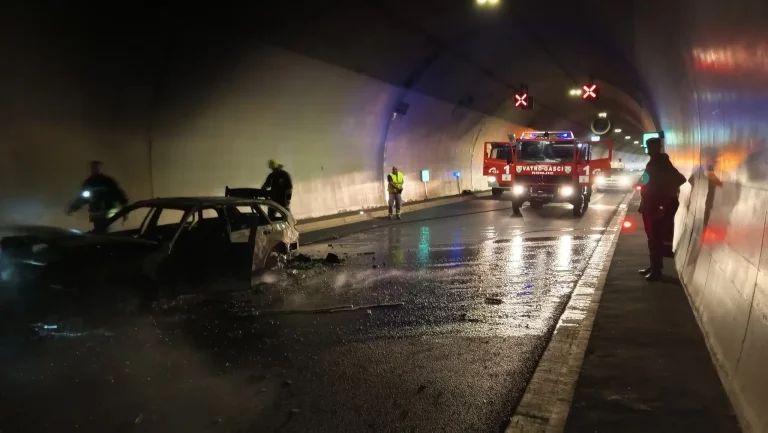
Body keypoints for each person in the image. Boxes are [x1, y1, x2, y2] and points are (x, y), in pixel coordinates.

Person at [637, 138, 686, 281]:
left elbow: (679, 179)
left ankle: (656, 271)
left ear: (658, 147)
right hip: (650, 205)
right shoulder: (654, 162)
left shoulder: (662, 163)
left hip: (656, 206)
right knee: (652, 237)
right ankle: (654, 266)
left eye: (651, 147)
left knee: (656, 238)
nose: (649, 149)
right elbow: (648, 180)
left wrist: (662, 205)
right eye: (648, 147)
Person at [67, 161, 128, 233]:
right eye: (93, 168)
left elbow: (119, 194)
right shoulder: (88, 182)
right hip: (95, 212)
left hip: (107, 211)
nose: (94, 170)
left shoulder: (108, 181)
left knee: (103, 229)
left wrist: (124, 210)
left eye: (96, 168)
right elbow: (83, 198)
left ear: (100, 169)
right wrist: (73, 207)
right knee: (100, 230)